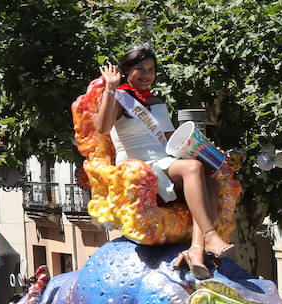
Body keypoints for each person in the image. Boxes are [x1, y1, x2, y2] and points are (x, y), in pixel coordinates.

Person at [96, 44, 234, 279]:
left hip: (164, 160)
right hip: (137, 165)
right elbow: (102, 127)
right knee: (193, 168)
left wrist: (207, 150)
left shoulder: (158, 102)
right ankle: (210, 235)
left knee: (210, 182)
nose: (147, 74)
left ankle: (196, 250)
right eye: (140, 68)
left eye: (151, 69)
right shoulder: (120, 99)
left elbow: (172, 141)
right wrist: (110, 88)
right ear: (126, 71)